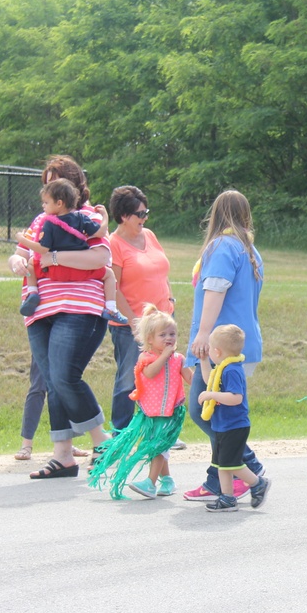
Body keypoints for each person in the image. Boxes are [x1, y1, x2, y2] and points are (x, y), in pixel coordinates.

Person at [7, 154, 115, 479]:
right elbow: (22, 252)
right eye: (45, 180)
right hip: (39, 309)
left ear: (72, 185)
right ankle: (63, 456)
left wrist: (51, 257)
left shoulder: (88, 217)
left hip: (78, 307)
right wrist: (17, 261)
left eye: (54, 179)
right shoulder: (41, 220)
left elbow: (100, 257)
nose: (47, 186)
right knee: (54, 382)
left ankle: (103, 442)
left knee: (66, 376)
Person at [183, 190, 266, 502]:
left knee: (203, 411)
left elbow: (216, 290)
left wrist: (203, 334)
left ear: (216, 214)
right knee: (217, 414)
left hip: (221, 346)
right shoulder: (249, 249)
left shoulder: (221, 246)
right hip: (243, 342)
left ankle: (245, 469)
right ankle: (225, 477)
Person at [89, 305, 191, 499]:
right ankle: (167, 480)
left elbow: (190, 378)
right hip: (150, 413)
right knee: (155, 446)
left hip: (171, 412)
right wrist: (164, 356)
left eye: (172, 334)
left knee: (159, 446)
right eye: (163, 335)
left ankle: (150, 483)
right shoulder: (146, 358)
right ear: (150, 339)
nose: (169, 338)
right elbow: (151, 373)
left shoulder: (178, 359)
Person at [105, 185, 176, 437]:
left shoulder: (150, 235)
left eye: (146, 212)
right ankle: (120, 436)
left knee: (162, 376)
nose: (145, 218)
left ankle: (158, 432)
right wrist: (134, 322)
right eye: (140, 214)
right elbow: (113, 287)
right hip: (131, 326)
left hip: (162, 322)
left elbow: (161, 270)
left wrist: (169, 300)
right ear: (124, 216)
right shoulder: (114, 244)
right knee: (129, 379)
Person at [16, 178, 126, 324]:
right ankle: (111, 308)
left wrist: (23, 239)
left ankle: (33, 293)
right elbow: (100, 232)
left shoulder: (49, 223)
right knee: (109, 275)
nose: (43, 206)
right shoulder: (81, 218)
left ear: (59, 203)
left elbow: (43, 249)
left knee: (30, 264)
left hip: (52, 270)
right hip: (80, 271)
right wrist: (105, 216)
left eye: (46, 202)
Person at [196, 324, 271, 512]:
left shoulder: (232, 371)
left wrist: (211, 396)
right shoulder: (222, 368)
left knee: (232, 464)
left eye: (210, 350)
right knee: (222, 464)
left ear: (218, 351)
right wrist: (204, 360)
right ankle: (227, 498)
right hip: (222, 425)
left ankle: (258, 483)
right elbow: (209, 381)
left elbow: (235, 398)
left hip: (235, 426)